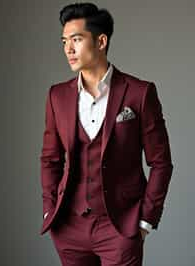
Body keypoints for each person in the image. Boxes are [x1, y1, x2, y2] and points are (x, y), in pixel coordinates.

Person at [39, 3, 173, 266]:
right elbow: (50, 159)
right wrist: (49, 211)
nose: (68, 49)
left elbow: (161, 162)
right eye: (64, 41)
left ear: (101, 41)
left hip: (120, 228)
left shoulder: (139, 93)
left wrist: (146, 220)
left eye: (76, 39)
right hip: (69, 227)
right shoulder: (57, 95)